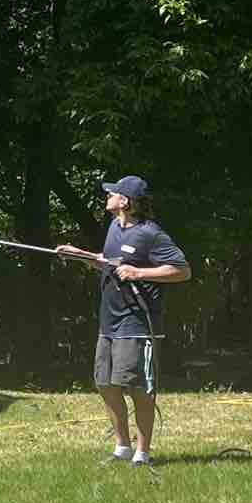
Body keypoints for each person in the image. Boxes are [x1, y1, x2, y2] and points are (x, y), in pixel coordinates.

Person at [56, 176, 190, 467]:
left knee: (138, 389)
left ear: (125, 201)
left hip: (137, 323)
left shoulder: (151, 234)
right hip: (109, 321)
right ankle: (122, 448)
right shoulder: (114, 227)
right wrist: (82, 256)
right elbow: (110, 262)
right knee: (105, 383)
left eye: (113, 193)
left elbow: (182, 270)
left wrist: (139, 273)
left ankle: (142, 454)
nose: (108, 196)